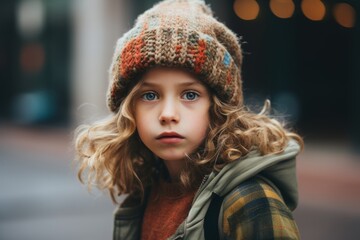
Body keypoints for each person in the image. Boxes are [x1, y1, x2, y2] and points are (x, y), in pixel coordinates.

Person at [74, 0, 304, 239]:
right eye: (150, 95)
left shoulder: (249, 201)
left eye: (190, 95)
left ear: (218, 107)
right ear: (129, 110)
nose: (168, 114)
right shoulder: (145, 195)